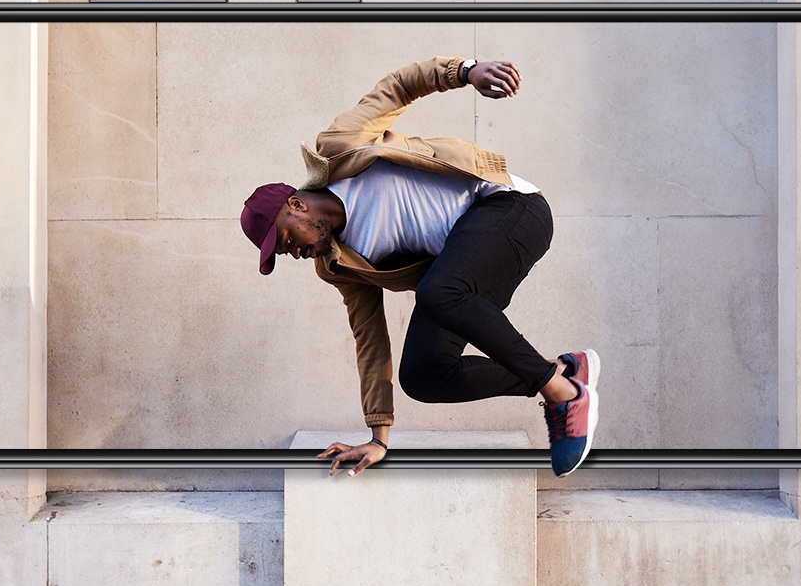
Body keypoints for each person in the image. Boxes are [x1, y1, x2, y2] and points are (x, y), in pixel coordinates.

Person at [240, 56, 599, 478]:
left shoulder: (342, 145)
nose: (296, 254)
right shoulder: (338, 265)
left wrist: (466, 72)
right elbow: (369, 340)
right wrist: (378, 437)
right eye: (284, 255)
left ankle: (563, 396)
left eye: (287, 241)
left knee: (437, 291)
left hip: (510, 209)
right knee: (424, 375)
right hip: (459, 269)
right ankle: (565, 374)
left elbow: (398, 86)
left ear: (297, 206)